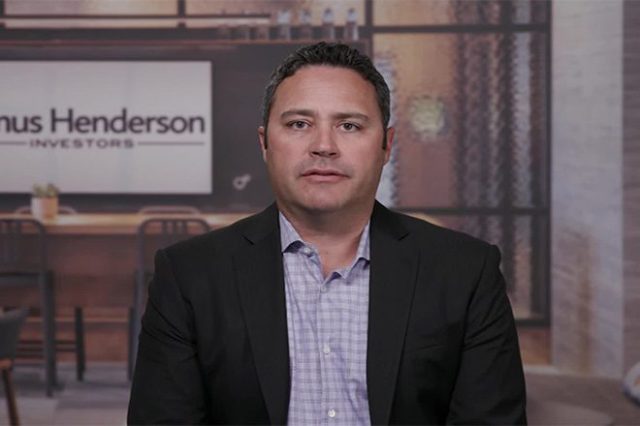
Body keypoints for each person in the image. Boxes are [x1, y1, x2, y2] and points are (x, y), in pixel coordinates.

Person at [128, 42, 527, 425]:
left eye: (349, 125)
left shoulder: (466, 272)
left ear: (386, 146)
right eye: (299, 124)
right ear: (264, 143)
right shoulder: (188, 276)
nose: (324, 146)